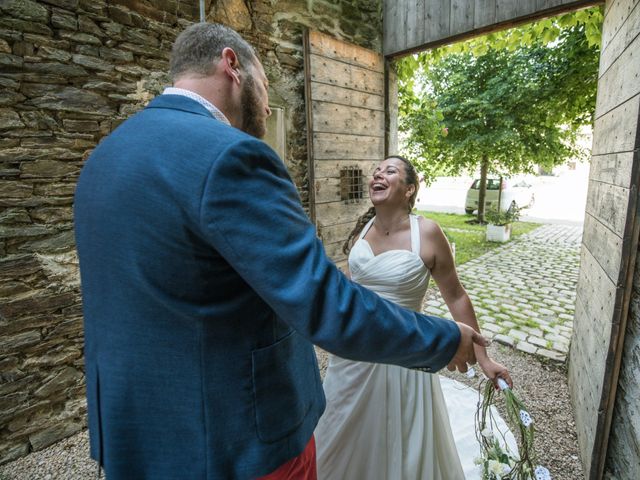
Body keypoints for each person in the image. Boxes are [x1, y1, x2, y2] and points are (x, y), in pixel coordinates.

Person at [73, 23, 487, 480]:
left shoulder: (105, 156)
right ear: (231, 66)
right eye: (266, 87)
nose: (267, 107)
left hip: (135, 437)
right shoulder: (232, 156)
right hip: (238, 442)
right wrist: (445, 339)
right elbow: (325, 301)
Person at [315, 155, 513, 479]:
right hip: (356, 354)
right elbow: (351, 290)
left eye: (389, 171)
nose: (378, 175)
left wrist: (483, 356)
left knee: (402, 438)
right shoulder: (361, 230)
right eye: (376, 171)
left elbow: (457, 295)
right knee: (340, 426)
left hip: (409, 351)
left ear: (409, 189)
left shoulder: (429, 233)